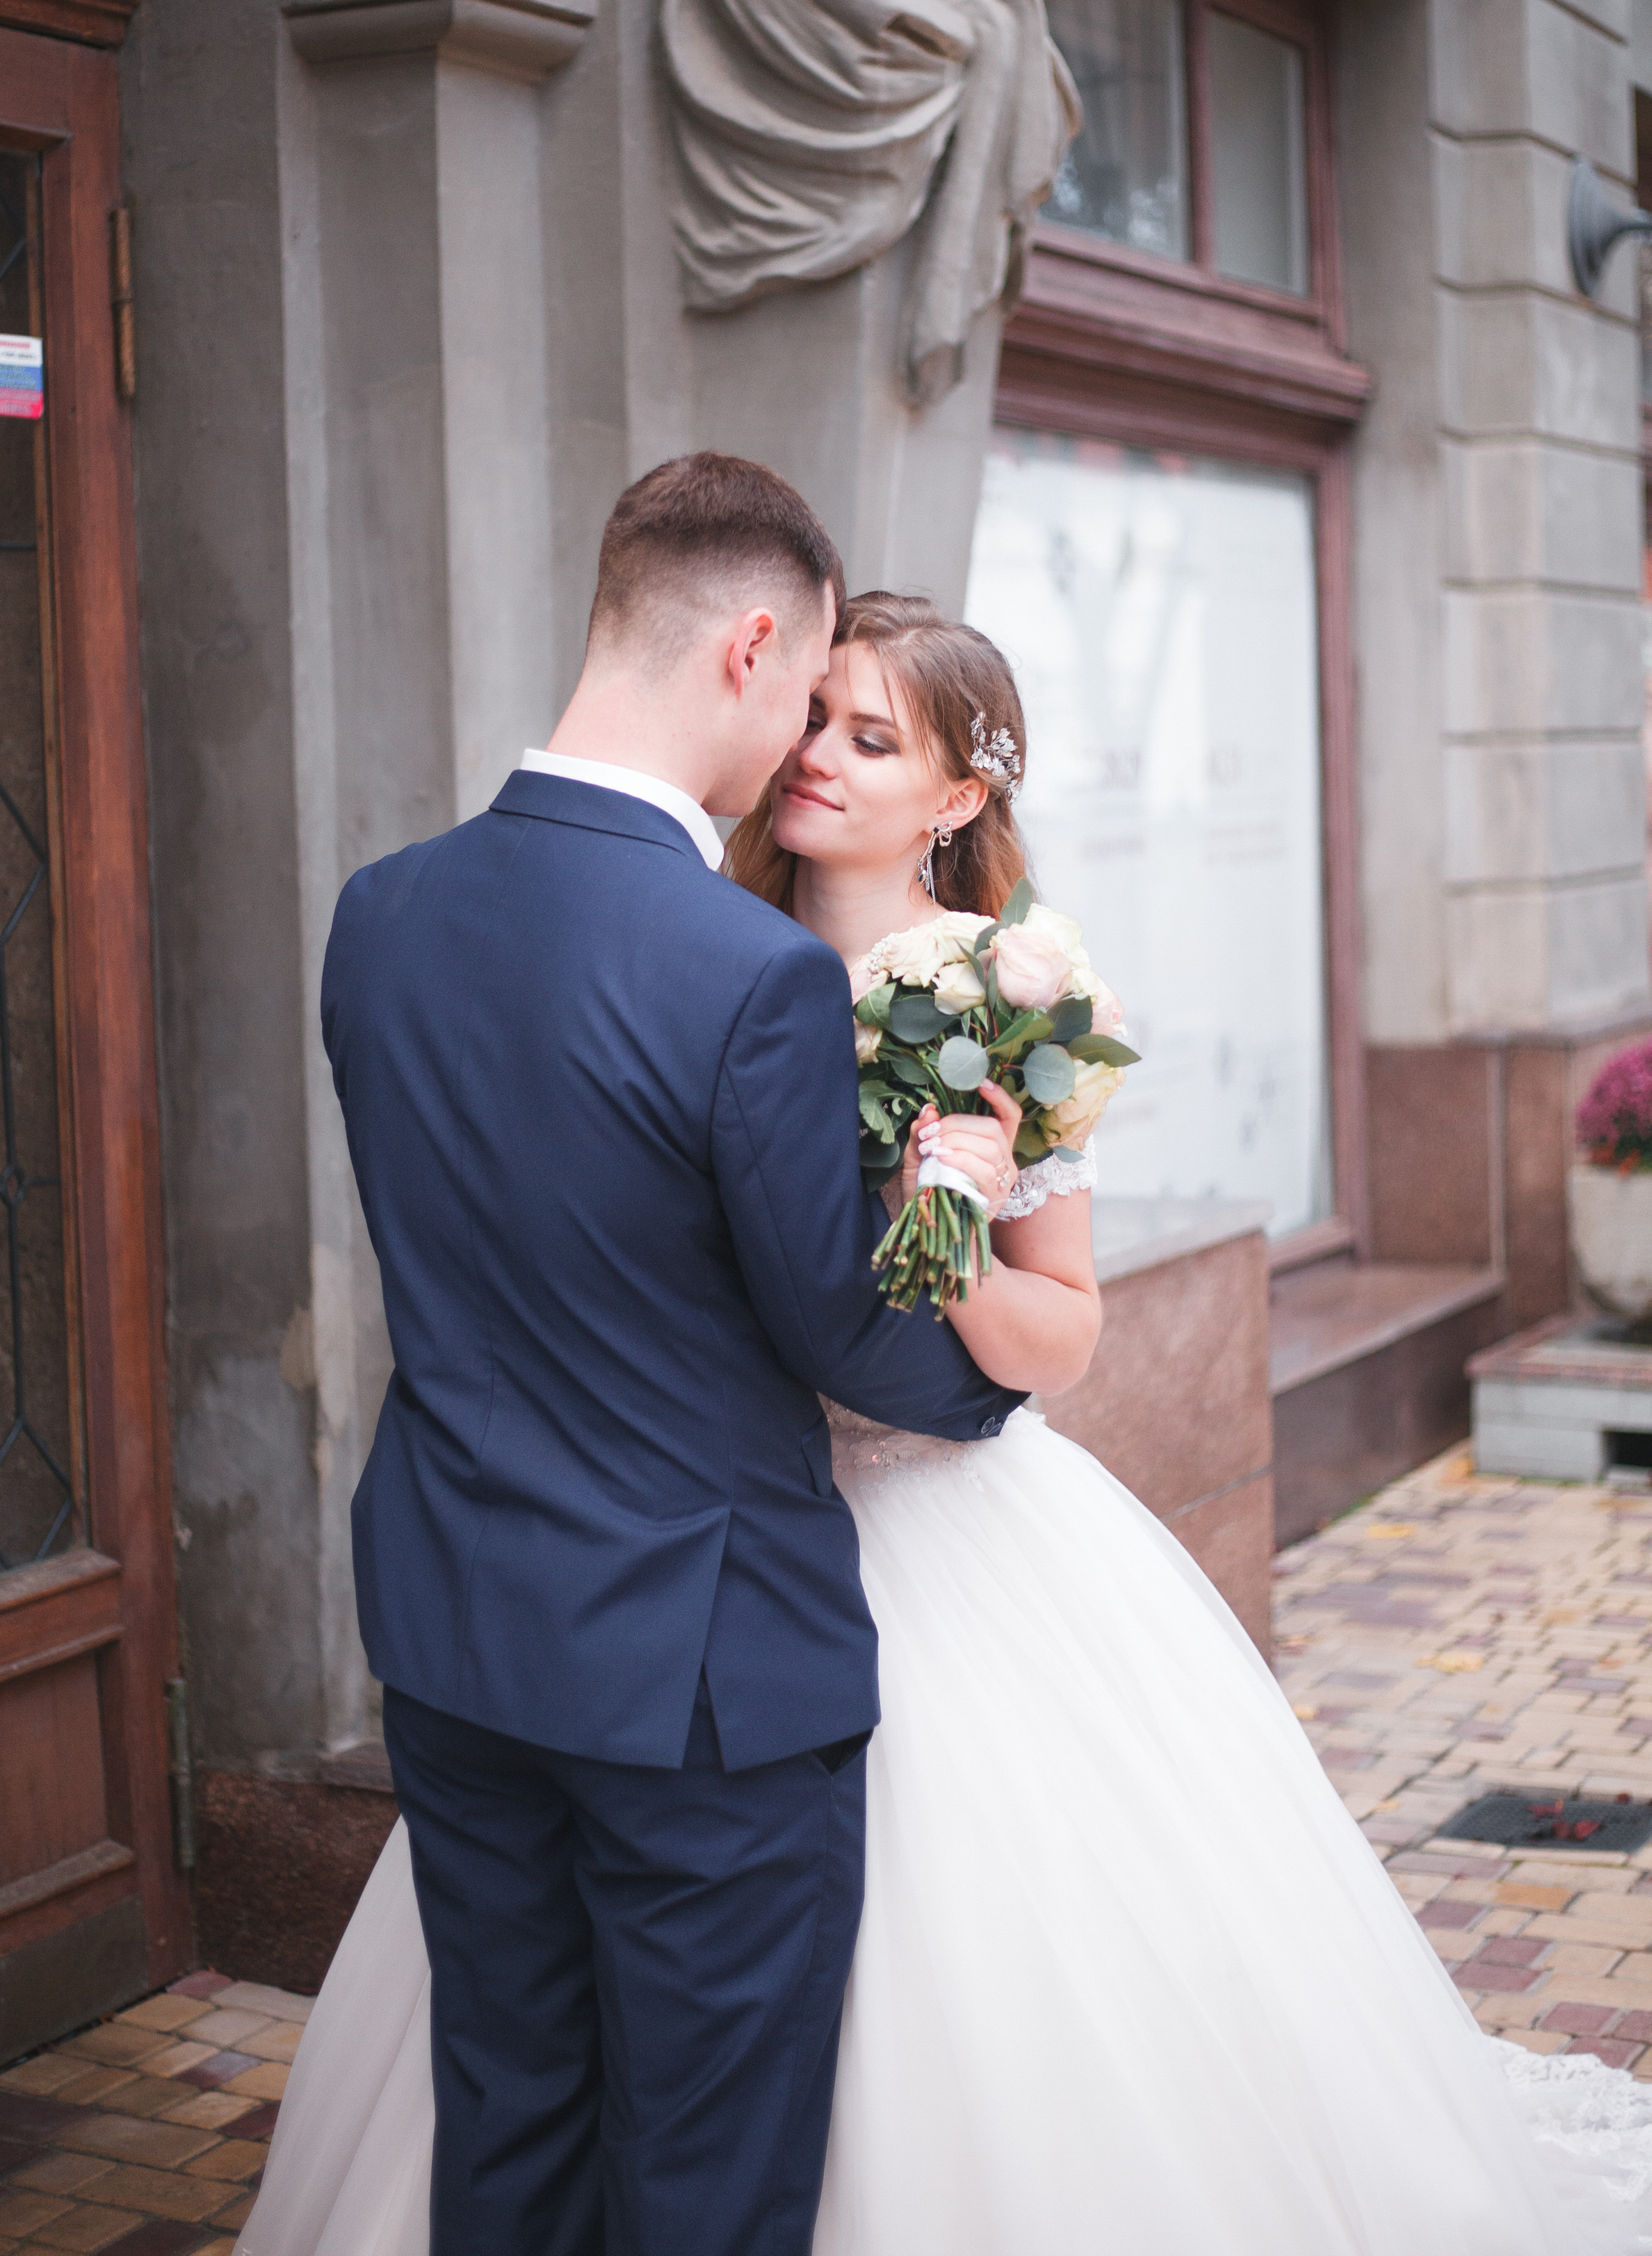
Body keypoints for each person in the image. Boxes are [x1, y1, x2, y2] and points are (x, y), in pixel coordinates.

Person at [249, 570, 1652, 2256]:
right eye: (813, 718)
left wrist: (953, 1227)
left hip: (922, 1531)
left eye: (870, 739)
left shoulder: (1010, 997)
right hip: (683, 1548)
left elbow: (1064, 1332)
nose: (816, 757)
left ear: (957, 798)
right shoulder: (697, 945)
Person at [302, 458, 1015, 2256]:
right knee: (703, 2185)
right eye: (809, 692)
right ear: (753, 647)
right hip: (695, 1680)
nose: (800, 744)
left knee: (511, 2137)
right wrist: (994, 1384)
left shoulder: (381, 914)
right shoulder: (741, 973)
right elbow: (834, 1324)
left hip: (457, 1634)